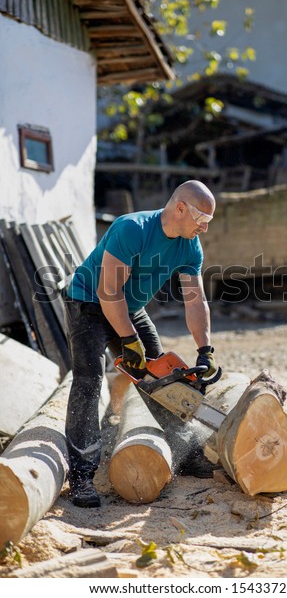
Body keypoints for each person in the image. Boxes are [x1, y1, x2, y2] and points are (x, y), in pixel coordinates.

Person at [64, 180, 219, 508]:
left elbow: (195, 302)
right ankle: (80, 475)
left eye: (208, 222)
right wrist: (129, 341)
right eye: (201, 219)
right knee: (89, 380)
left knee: (161, 375)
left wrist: (205, 349)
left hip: (128, 307)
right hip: (88, 302)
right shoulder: (132, 229)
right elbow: (108, 292)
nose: (204, 228)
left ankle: (185, 450)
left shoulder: (190, 246)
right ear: (180, 208)